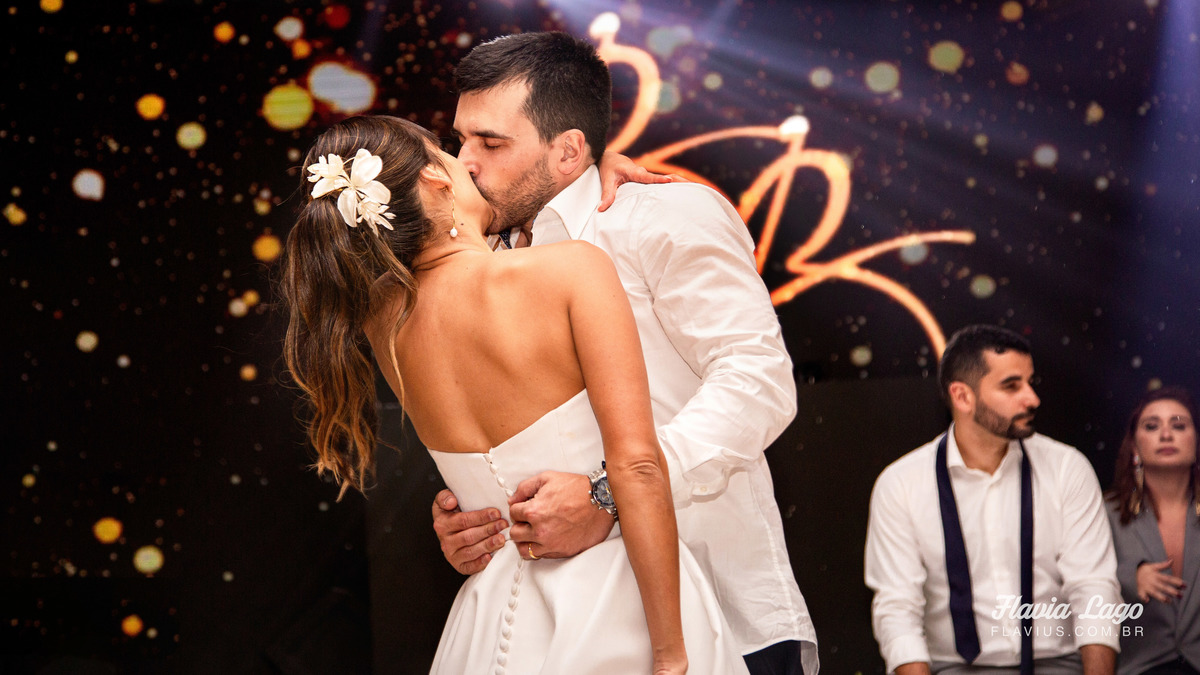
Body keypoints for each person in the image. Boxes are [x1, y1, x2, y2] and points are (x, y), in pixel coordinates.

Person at [280, 114, 751, 673]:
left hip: (487, 621)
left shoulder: (384, 324)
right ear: (435, 177)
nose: (469, 162)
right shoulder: (570, 271)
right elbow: (640, 466)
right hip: (615, 603)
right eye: (453, 151)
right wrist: (673, 655)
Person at [429, 31, 817, 674]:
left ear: (569, 151)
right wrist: (479, 519)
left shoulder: (659, 217)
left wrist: (608, 498)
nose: (464, 163)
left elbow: (758, 381)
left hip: (719, 614)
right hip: (554, 633)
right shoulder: (483, 263)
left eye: (490, 143)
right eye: (460, 139)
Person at [864, 324, 1121, 675]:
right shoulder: (901, 484)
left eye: (1030, 383)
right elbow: (897, 609)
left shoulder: (1067, 468)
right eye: (1011, 386)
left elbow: (1094, 588)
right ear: (963, 396)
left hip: (1058, 664)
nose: (1032, 398)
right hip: (952, 668)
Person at [1106, 386, 1200, 675]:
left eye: (1179, 425)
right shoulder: (1103, 512)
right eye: (1152, 426)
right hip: (1138, 668)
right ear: (1134, 446)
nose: (1166, 435)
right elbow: (1071, 585)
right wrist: (1129, 577)